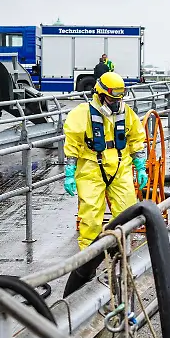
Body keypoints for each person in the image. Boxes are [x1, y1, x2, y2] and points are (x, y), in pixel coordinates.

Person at [62, 71, 148, 251]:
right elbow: (72, 145)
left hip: (120, 168)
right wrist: (69, 173)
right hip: (91, 170)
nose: (116, 104)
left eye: (118, 100)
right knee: (91, 218)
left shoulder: (127, 113)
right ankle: (87, 260)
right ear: (100, 95)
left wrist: (141, 167)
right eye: (111, 100)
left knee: (128, 213)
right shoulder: (81, 114)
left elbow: (136, 140)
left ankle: (123, 255)